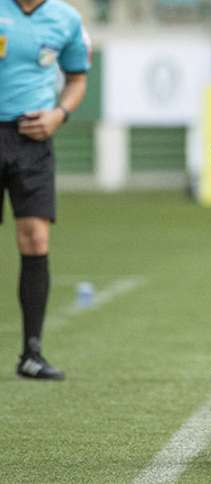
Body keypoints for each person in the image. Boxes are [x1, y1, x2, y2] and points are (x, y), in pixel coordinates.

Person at [1, 0, 90, 380]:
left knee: (36, 239)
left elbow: (76, 78)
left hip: (32, 141)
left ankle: (31, 354)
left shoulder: (65, 18)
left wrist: (59, 114)